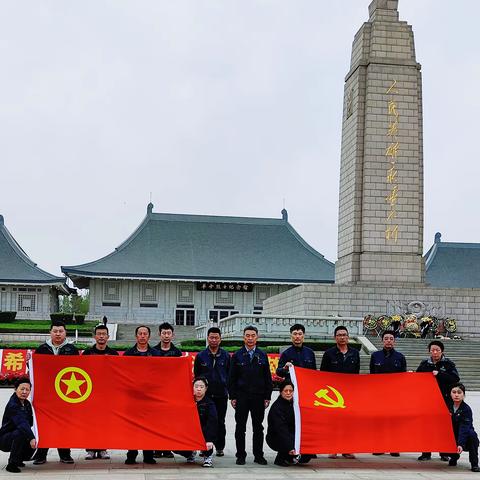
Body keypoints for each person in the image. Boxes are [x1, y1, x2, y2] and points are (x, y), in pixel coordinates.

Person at [32, 321, 78, 465]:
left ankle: (65, 454)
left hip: (66, 394)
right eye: (55, 331)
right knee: (43, 423)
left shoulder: (72, 350)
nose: (58, 334)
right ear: (50, 332)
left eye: (61, 331)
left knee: (64, 424)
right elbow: (34, 371)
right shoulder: (42, 349)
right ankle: (41, 454)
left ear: (65, 333)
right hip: (46, 395)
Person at [229, 325, 273, 465]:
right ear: (243, 337)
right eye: (247, 335)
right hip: (241, 396)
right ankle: (240, 455)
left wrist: (267, 396)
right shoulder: (237, 355)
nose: (250, 338)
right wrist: (232, 397)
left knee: (258, 427)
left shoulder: (262, 355)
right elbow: (231, 378)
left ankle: (258, 455)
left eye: (252, 335)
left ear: (257, 337)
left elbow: (268, 378)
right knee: (240, 427)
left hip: (258, 397)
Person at [416, 340, 460, 462]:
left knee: (444, 426)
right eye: (432, 350)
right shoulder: (424, 364)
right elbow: (417, 377)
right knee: (426, 427)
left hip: (444, 400)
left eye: (437, 350)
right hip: (428, 401)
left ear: (442, 351)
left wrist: (439, 374)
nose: (435, 352)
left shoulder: (448, 364)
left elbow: (455, 378)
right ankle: (426, 452)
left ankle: (444, 453)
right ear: (429, 351)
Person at [320, 325, 360, 459]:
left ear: (348, 337)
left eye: (344, 335)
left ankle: (347, 449)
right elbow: (323, 374)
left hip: (350, 394)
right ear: (335, 338)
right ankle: (333, 448)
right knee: (334, 422)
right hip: (334, 395)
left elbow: (356, 374)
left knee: (349, 423)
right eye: (339, 335)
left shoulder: (355, 353)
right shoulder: (329, 354)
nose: (342, 337)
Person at [124, 325, 160, 465]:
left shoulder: (156, 354)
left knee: (149, 426)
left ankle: (148, 455)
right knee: (132, 427)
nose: (143, 336)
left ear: (149, 337)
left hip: (150, 397)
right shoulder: (128, 353)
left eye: (145, 334)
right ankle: (131, 454)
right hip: (133, 397)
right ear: (136, 336)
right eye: (140, 333)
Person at [82, 324, 119, 460]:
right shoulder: (87, 353)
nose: (101, 336)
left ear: (108, 337)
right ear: (94, 336)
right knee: (90, 422)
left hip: (107, 395)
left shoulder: (114, 354)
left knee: (105, 422)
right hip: (90, 394)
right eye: (99, 334)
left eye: (104, 334)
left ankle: (103, 448)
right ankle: (90, 449)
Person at [194, 326, 230, 457]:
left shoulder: (226, 356)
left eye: (216, 338)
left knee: (220, 421)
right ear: (207, 339)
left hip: (221, 395)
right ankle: (203, 446)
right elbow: (197, 376)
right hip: (205, 396)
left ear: (220, 339)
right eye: (211, 337)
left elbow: (229, 375)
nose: (214, 340)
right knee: (204, 421)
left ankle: (220, 446)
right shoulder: (200, 356)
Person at [370, 330, 407, 456]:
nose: (389, 341)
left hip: (395, 395)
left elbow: (403, 377)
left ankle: (394, 447)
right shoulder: (375, 356)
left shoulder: (400, 357)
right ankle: (379, 446)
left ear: (394, 341)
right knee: (379, 421)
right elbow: (372, 375)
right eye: (386, 338)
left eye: (391, 338)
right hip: (378, 395)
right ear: (382, 341)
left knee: (394, 421)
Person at [153, 322, 182, 458]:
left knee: (169, 421)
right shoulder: (153, 352)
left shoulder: (177, 353)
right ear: (159, 334)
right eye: (163, 333)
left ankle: (167, 448)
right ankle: (157, 448)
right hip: (156, 392)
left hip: (171, 393)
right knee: (157, 421)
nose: (166, 336)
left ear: (173, 335)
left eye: (168, 333)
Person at [176, 377, 218, 468]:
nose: (198, 389)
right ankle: (190, 453)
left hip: (203, 432)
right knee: (175, 445)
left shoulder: (209, 404)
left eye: (201, 387)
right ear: (192, 387)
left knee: (207, 438)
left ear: (206, 388)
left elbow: (212, 423)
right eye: (196, 386)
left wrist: (210, 440)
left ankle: (207, 456)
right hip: (189, 432)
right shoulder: (187, 401)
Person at [0, 378, 36, 473]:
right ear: (15, 389)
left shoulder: (27, 403)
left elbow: (30, 422)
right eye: (22, 389)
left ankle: (20, 459)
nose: (24, 392)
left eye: (27, 390)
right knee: (21, 432)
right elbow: (21, 423)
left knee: (30, 433)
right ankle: (12, 464)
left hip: (17, 434)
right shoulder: (13, 404)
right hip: (5, 439)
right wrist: (31, 438)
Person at [447, 383, 479, 472]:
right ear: (450, 394)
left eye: (459, 392)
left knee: (472, 435)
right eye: (454, 392)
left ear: (463, 395)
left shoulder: (466, 409)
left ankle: (474, 464)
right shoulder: (447, 406)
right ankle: (454, 457)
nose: (456, 395)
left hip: (464, 436)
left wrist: (460, 443)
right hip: (451, 435)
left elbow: (464, 427)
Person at [266, 380, 298, 467]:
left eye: (290, 391)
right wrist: (290, 446)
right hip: (276, 437)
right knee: (287, 439)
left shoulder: (295, 405)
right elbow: (281, 429)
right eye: (285, 391)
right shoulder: (277, 407)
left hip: (290, 434)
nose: (288, 393)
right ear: (280, 392)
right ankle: (280, 458)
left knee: (306, 457)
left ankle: (290, 457)